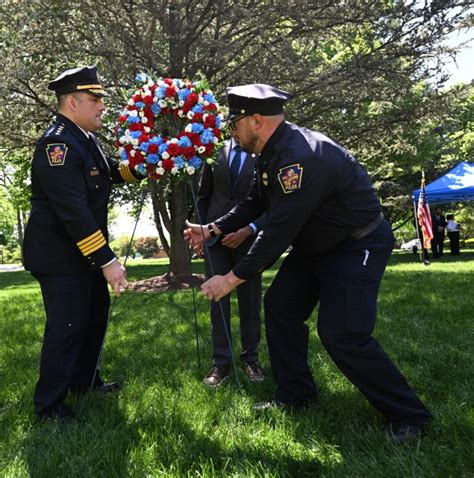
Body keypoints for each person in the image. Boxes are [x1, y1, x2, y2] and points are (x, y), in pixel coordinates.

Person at [184, 83, 432, 442]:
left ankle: (410, 416)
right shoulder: (270, 152)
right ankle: (296, 396)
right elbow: (256, 200)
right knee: (282, 308)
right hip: (317, 246)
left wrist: (230, 279)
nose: (230, 132)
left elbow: (277, 232)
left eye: (234, 124)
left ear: (255, 121)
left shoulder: (300, 157)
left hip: (355, 245)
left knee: (343, 334)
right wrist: (214, 227)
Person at [23, 66, 144, 422]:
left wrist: (148, 164)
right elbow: (73, 213)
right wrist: (108, 261)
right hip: (61, 257)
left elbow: (111, 171)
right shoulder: (57, 144)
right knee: (67, 328)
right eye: (94, 100)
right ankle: (50, 406)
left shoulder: (84, 139)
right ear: (72, 102)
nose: (102, 106)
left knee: (93, 319)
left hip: (82, 256)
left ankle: (85, 382)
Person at [197, 138, 265, 386]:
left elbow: (271, 202)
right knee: (217, 302)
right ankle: (221, 362)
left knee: (250, 301)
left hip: (248, 241)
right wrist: (203, 233)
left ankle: (250, 359)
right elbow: (204, 195)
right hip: (215, 241)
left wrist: (249, 229)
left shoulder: (262, 152)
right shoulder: (214, 151)